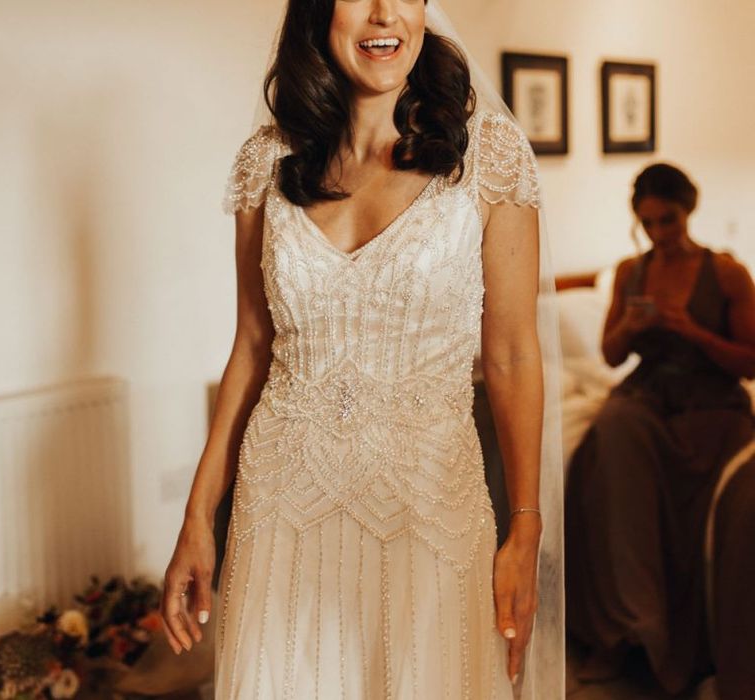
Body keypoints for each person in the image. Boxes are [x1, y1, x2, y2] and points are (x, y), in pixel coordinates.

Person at [160, 0, 564, 697]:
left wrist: (524, 525)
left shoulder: (490, 155)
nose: (385, 13)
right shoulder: (268, 162)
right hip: (281, 507)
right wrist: (199, 515)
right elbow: (253, 345)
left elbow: (513, 356)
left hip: (430, 506)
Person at [565, 162, 755, 696]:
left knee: (717, 491)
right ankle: (627, 633)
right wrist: (631, 323)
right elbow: (609, 354)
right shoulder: (630, 273)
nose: (658, 234)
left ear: (687, 211)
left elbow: (749, 361)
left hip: (711, 401)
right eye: (647, 223)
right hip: (649, 396)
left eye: (666, 221)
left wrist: (692, 330)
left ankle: (693, 641)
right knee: (610, 440)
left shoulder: (726, 274)